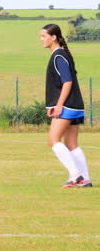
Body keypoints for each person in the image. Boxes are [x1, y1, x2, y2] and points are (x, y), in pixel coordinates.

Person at [41, 23, 91, 188]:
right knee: (71, 144)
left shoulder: (58, 56)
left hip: (67, 106)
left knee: (53, 140)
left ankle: (75, 176)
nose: (41, 39)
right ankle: (85, 180)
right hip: (75, 105)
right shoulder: (61, 55)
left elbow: (67, 82)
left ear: (53, 37)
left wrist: (59, 105)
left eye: (43, 36)